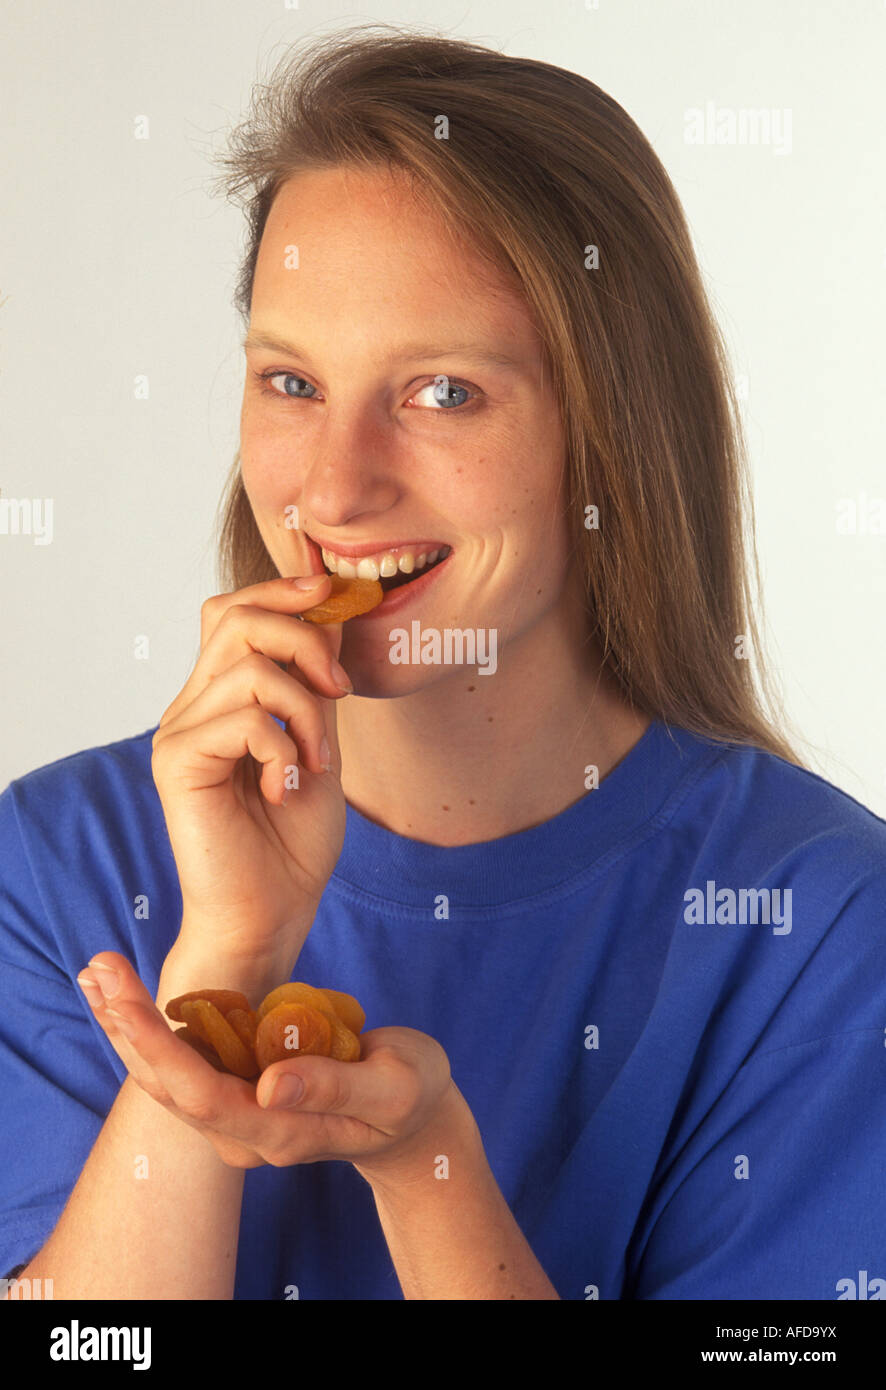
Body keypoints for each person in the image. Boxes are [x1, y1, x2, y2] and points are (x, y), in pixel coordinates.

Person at [2, 26, 885, 1302]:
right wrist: (217, 968)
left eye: (443, 393)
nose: (332, 483)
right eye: (292, 380)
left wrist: (428, 1173)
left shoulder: (819, 930)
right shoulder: (49, 864)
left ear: (611, 431)